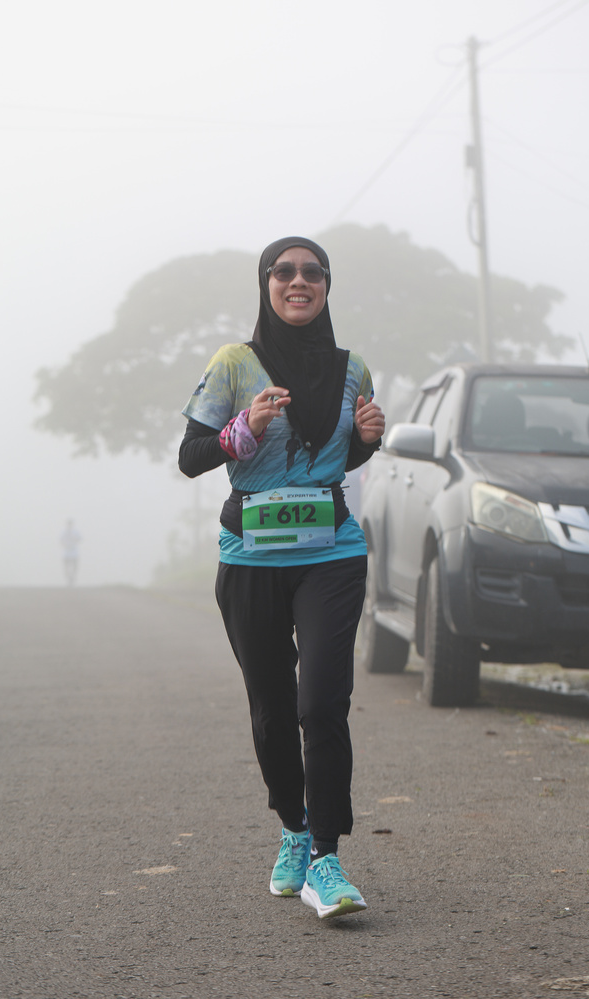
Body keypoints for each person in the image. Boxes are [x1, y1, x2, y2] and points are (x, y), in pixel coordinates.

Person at [178, 236, 385, 919]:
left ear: (326, 285)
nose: (300, 281)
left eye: (313, 272)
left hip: (331, 552)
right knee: (271, 708)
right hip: (251, 558)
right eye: (284, 271)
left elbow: (341, 454)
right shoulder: (233, 363)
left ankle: (326, 856)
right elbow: (190, 456)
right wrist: (243, 428)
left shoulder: (353, 368)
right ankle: (293, 830)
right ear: (266, 282)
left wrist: (369, 437)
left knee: (320, 702)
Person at [60, 518, 82, 586]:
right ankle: (68, 578)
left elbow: (80, 539)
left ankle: (72, 577)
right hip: (66, 552)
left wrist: (74, 540)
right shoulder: (63, 532)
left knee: (75, 566)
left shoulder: (75, 532)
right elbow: (60, 540)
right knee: (66, 566)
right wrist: (66, 544)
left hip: (74, 551)